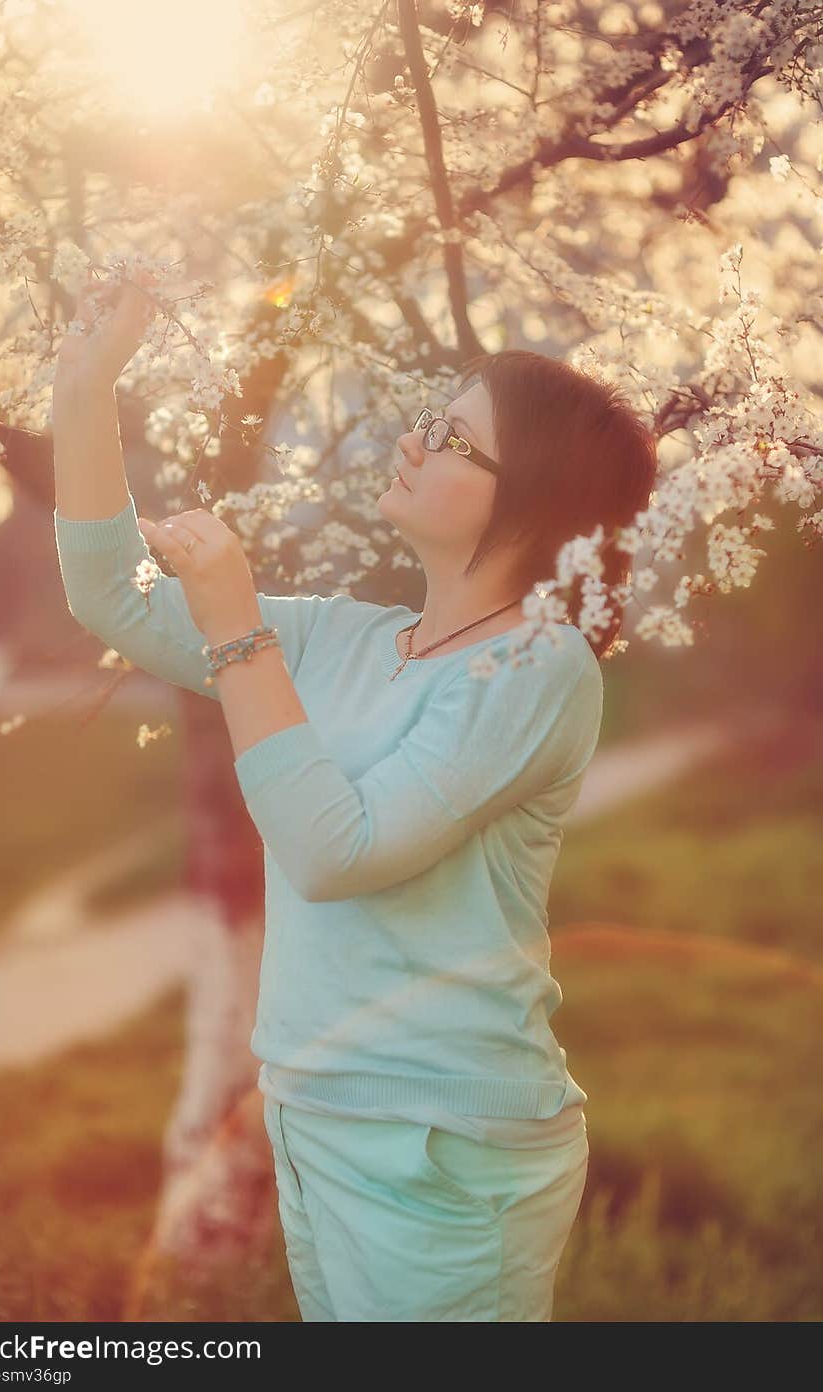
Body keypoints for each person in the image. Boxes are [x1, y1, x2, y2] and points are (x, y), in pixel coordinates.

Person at [51, 275, 657, 1320]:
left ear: (533, 496)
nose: (414, 442)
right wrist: (85, 391)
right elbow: (114, 598)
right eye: (428, 421)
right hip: (310, 1112)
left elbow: (336, 852)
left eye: (454, 439)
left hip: (443, 1152)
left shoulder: (536, 667)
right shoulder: (344, 638)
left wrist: (238, 623)